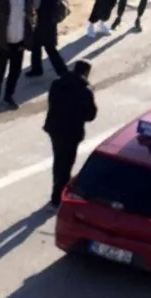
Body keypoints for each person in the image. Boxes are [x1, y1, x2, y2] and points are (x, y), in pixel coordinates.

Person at [43, 60, 98, 210]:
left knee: (58, 159)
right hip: (72, 131)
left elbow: (51, 102)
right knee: (67, 164)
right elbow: (90, 116)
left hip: (55, 128)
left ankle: (56, 190)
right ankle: (57, 197)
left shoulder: (57, 83)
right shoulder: (85, 90)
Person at [27, 0, 70, 79]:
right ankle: (36, 69)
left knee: (50, 49)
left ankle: (63, 73)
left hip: (48, 24)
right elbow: (30, 0)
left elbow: (53, 5)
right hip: (40, 21)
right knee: (35, 46)